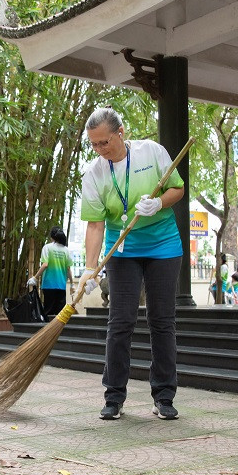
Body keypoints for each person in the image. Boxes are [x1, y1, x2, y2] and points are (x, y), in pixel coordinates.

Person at [79, 107, 185, 421]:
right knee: (120, 322)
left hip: (163, 245)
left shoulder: (151, 153)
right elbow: (95, 225)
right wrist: (89, 267)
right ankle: (113, 398)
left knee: (162, 321)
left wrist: (159, 203)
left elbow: (177, 188)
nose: (100, 150)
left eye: (105, 142)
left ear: (121, 132)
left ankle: (164, 396)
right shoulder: (95, 172)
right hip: (122, 251)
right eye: (94, 144)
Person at [27, 227, 74, 321]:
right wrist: (72, 284)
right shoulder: (66, 250)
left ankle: (47, 333)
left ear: (52, 237)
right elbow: (68, 268)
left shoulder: (47, 247)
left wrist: (35, 278)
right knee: (60, 315)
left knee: (48, 312)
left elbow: (45, 265)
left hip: (49, 284)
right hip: (61, 285)